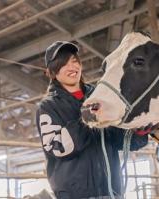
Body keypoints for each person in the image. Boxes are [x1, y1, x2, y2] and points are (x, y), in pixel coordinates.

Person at [36, 41, 149, 199]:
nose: (72, 67)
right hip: (77, 195)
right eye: (64, 64)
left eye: (75, 61)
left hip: (112, 192)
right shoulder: (48, 107)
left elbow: (117, 138)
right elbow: (58, 147)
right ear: (53, 71)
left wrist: (139, 132)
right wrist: (86, 119)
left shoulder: (99, 96)